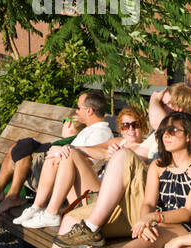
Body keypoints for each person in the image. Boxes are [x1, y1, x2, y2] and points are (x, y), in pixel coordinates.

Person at [35, 111, 191, 248]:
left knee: (158, 233)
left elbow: (188, 212)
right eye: (163, 132)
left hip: (183, 226)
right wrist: (145, 220)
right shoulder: (158, 165)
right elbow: (148, 203)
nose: (166, 136)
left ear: (189, 136)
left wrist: (153, 219)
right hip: (154, 220)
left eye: (173, 131)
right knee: (71, 220)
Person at [8, 90, 114, 230]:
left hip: (83, 193)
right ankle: (37, 207)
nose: (76, 111)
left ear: (89, 111)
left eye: (79, 108)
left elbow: (87, 165)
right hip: (65, 184)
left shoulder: (100, 133)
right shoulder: (89, 130)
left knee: (59, 154)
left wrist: (62, 149)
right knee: (52, 154)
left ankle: (48, 211)